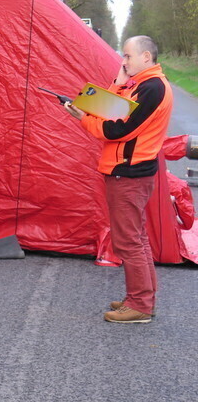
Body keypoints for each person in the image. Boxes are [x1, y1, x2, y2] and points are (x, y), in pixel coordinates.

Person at [64, 35, 173, 324]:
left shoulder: (151, 89)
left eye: (127, 56)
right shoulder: (141, 85)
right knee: (136, 238)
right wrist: (118, 81)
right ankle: (142, 298)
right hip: (128, 170)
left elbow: (116, 130)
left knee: (129, 242)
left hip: (129, 173)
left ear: (146, 58)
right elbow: (110, 109)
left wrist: (81, 119)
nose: (123, 61)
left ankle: (140, 305)